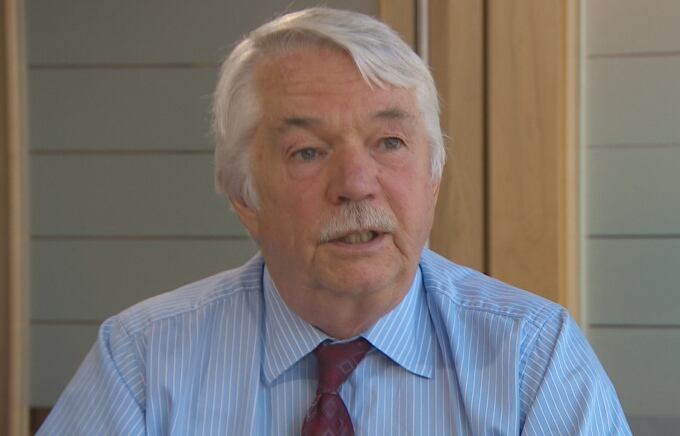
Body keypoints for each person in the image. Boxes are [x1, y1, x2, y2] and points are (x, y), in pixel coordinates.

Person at [39, 7, 630, 435]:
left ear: (433, 178)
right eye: (307, 152)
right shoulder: (141, 362)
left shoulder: (533, 356)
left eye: (390, 142)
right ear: (245, 198)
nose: (355, 182)